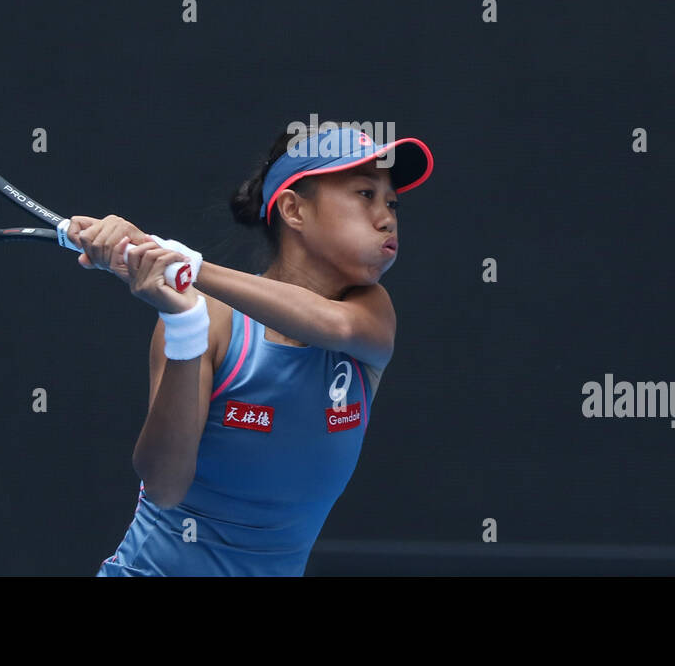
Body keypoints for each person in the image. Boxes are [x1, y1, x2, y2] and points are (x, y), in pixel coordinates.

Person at [76, 123, 433, 575]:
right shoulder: (211, 320)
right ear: (293, 209)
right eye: (365, 194)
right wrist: (186, 327)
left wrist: (187, 265)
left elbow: (333, 324)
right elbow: (164, 486)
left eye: (392, 203)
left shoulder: (368, 315)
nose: (386, 217)